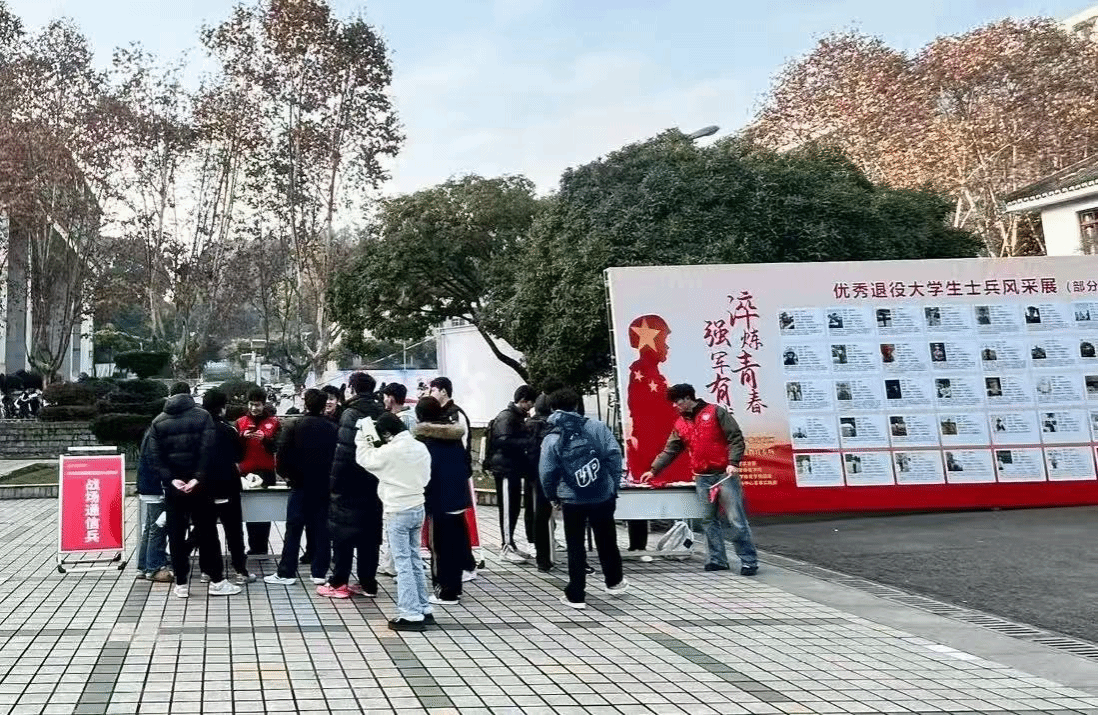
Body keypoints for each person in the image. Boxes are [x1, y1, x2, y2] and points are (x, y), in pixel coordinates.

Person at [641, 383, 759, 576]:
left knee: (736, 519)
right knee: (708, 520)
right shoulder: (680, 423)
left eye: (677, 401)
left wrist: (733, 462)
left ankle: (749, 561)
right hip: (702, 478)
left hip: (724, 475)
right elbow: (671, 449)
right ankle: (717, 559)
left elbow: (735, 438)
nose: (675, 406)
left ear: (688, 398)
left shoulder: (716, 412)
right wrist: (654, 470)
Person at [145, 381, 241, 598]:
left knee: (176, 534)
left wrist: (172, 480)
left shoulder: (158, 421)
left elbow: (155, 457)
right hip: (201, 487)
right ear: (190, 396)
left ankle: (181, 583)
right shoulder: (202, 416)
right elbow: (209, 450)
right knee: (207, 533)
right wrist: (197, 478)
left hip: (174, 489)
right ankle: (216, 581)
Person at [539, 388, 627, 609]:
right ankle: (614, 582)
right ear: (577, 405)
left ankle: (576, 594)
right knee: (607, 539)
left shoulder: (552, 436)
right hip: (602, 494)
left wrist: (552, 496)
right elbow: (615, 456)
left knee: (575, 545)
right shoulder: (597, 427)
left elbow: (547, 471)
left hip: (571, 498)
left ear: (552, 408)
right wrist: (612, 485)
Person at [354, 412, 433, 631]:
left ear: (388, 433)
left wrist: (361, 434)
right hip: (418, 506)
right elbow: (426, 477)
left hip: (397, 510)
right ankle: (424, 607)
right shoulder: (420, 447)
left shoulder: (390, 451)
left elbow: (364, 459)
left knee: (403, 563)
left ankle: (410, 612)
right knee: (415, 559)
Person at [320, 371, 385, 599]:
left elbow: (344, 453)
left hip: (349, 483)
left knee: (343, 535)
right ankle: (368, 583)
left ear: (352, 389)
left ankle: (339, 582)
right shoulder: (381, 411)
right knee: (370, 535)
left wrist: (333, 484)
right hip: (375, 481)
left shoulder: (350, 413)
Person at [266, 389, 337, 586]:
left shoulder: (294, 425)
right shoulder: (333, 427)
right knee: (322, 529)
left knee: (294, 528)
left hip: (299, 484)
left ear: (306, 403)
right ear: (323, 405)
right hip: (324, 485)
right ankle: (319, 572)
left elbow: (281, 455)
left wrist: (287, 476)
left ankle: (287, 572)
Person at [415, 397, 474, 603]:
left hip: (438, 499)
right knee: (455, 543)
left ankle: (445, 591)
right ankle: (455, 587)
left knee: (439, 547)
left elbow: (425, 474)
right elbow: (466, 466)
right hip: (458, 497)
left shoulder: (425, 441)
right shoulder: (454, 436)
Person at [428, 376, 480, 580]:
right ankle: (462, 564)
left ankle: (466, 565)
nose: (431, 394)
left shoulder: (455, 414)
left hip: (456, 475)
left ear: (443, 391)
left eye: (433, 390)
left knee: (456, 522)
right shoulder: (443, 414)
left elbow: (461, 447)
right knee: (453, 523)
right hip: (448, 476)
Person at [202, 389, 255, 584]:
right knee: (233, 530)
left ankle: (207, 571)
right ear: (222, 408)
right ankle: (240, 570)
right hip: (228, 485)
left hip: (204, 487)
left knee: (207, 530)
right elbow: (239, 456)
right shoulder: (228, 429)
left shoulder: (198, 429)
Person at [484, 385, 538, 562]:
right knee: (508, 509)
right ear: (523, 400)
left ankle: (511, 544)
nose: (531, 407)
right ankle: (506, 546)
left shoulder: (515, 416)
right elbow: (504, 441)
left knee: (513, 508)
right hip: (505, 469)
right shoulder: (507, 417)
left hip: (512, 468)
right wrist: (528, 441)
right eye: (530, 403)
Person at [235, 387, 281, 555]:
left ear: (263, 404)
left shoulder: (274, 422)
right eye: (252, 404)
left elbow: (277, 446)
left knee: (264, 511)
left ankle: (261, 547)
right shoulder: (240, 422)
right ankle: (253, 546)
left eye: (258, 405)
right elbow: (234, 450)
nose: (254, 408)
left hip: (266, 471)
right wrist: (242, 437)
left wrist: (266, 439)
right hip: (246, 472)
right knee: (250, 511)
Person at [524, 393, 557, 572]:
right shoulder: (554, 425)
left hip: (534, 475)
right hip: (554, 474)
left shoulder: (528, 425)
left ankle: (542, 558)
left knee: (539, 516)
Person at [135, 427, 171, 582]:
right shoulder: (161, 432)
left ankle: (143, 566)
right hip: (157, 488)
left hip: (149, 486)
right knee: (158, 528)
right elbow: (159, 462)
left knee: (150, 527)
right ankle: (154, 567)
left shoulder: (152, 430)